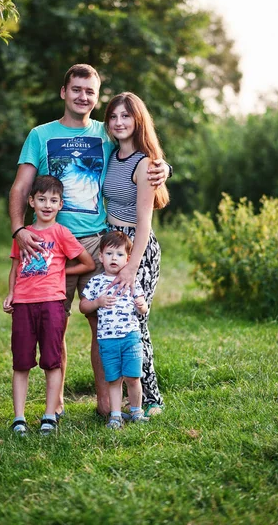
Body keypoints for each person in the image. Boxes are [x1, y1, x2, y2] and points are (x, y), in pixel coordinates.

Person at [9, 64, 171, 417]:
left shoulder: (105, 132)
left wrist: (164, 167)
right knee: (56, 321)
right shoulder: (40, 135)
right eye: (77, 89)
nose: (83, 96)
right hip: (54, 247)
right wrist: (19, 229)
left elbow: (139, 145)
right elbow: (21, 187)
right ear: (64, 92)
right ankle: (58, 402)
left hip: (99, 242)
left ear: (96, 98)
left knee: (107, 320)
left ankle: (106, 402)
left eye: (90, 92)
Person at [3, 175, 95, 436]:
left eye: (53, 200)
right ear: (31, 201)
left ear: (60, 204)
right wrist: (10, 293)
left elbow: (87, 263)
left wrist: (58, 271)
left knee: (52, 361)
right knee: (21, 362)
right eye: (41, 199)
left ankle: (49, 416)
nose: (47, 205)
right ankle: (18, 418)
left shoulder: (61, 234)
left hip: (53, 303)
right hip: (23, 304)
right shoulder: (23, 235)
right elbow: (14, 267)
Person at [102, 91, 170, 417]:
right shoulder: (112, 155)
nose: (118, 122)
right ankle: (127, 400)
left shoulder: (145, 164)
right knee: (117, 321)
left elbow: (144, 222)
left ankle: (151, 398)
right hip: (112, 241)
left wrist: (131, 267)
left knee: (136, 323)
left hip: (136, 246)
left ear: (137, 119)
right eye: (113, 116)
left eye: (125, 116)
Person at [79, 231, 150, 429]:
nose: (113, 258)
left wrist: (140, 304)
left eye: (119, 255)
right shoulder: (96, 282)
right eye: (109, 254)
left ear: (127, 259)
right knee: (114, 379)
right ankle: (116, 415)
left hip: (130, 337)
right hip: (107, 340)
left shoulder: (131, 281)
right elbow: (83, 306)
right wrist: (98, 302)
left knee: (133, 377)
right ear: (101, 257)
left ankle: (137, 411)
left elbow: (143, 310)